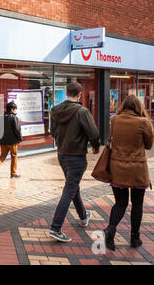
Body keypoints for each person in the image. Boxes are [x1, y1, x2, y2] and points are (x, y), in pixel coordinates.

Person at [49, 82, 100, 242]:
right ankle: (55, 228)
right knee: (69, 190)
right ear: (79, 95)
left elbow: (52, 131)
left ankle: (83, 216)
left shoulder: (55, 110)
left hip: (62, 154)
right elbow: (93, 133)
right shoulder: (82, 111)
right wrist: (96, 147)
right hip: (77, 156)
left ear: (66, 93)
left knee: (73, 186)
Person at [103, 94, 154, 251]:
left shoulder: (114, 120)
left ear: (123, 106)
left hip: (117, 168)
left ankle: (110, 230)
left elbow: (111, 139)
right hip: (137, 170)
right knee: (137, 204)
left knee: (120, 203)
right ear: (138, 107)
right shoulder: (144, 122)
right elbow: (149, 145)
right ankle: (135, 238)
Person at [0, 101, 22, 179]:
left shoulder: (1, 118)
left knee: (3, 155)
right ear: (12, 109)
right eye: (15, 109)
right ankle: (13, 174)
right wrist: (20, 138)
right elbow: (17, 130)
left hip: (3, 141)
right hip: (12, 141)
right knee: (14, 156)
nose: (15, 111)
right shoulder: (14, 117)